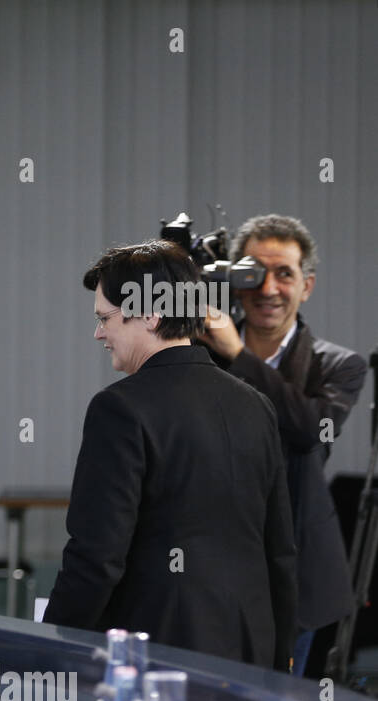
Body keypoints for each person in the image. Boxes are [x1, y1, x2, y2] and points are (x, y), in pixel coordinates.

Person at [44, 241, 297, 669]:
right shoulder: (256, 404)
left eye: (105, 318)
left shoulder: (119, 408)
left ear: (151, 313)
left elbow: (97, 557)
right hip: (252, 654)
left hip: (160, 661)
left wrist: (52, 641)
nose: (99, 333)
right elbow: (280, 551)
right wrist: (282, 654)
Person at [197, 214, 366, 675]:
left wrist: (238, 355)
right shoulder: (195, 352)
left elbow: (308, 430)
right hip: (206, 569)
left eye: (285, 274)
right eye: (253, 273)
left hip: (294, 577)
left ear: (306, 286)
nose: (268, 288)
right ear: (234, 281)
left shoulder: (339, 365)